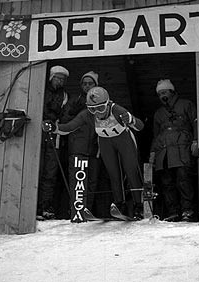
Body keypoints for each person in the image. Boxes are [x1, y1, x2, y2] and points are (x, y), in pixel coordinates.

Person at [43, 86, 145, 220]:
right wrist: (54, 128)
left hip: (124, 141)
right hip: (106, 143)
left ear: (108, 103)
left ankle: (139, 205)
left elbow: (140, 126)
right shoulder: (87, 115)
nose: (97, 112)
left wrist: (131, 119)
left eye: (100, 108)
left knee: (131, 171)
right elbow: (69, 127)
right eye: (92, 109)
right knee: (114, 173)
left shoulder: (117, 110)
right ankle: (120, 203)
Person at [149, 79, 198, 222]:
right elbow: (155, 135)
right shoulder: (158, 113)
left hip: (182, 148)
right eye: (159, 93)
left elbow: (196, 123)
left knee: (184, 180)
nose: (162, 95)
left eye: (164, 92)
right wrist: (152, 153)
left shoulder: (186, 104)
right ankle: (173, 212)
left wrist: (196, 140)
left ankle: (187, 211)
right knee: (167, 182)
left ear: (172, 91)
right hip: (163, 152)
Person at [60, 71, 101, 215]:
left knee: (92, 181)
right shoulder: (74, 100)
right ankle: (77, 211)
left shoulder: (102, 101)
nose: (87, 86)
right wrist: (73, 113)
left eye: (90, 83)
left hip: (96, 147)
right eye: (84, 84)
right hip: (78, 146)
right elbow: (64, 122)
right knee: (78, 180)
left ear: (96, 85)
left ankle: (87, 210)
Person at [37, 65, 69, 220]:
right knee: (37, 169)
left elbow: (64, 114)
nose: (60, 81)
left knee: (50, 171)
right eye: (58, 77)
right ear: (51, 77)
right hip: (37, 133)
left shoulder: (64, 95)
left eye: (63, 79)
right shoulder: (40, 89)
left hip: (53, 134)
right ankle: (34, 205)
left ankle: (46, 206)